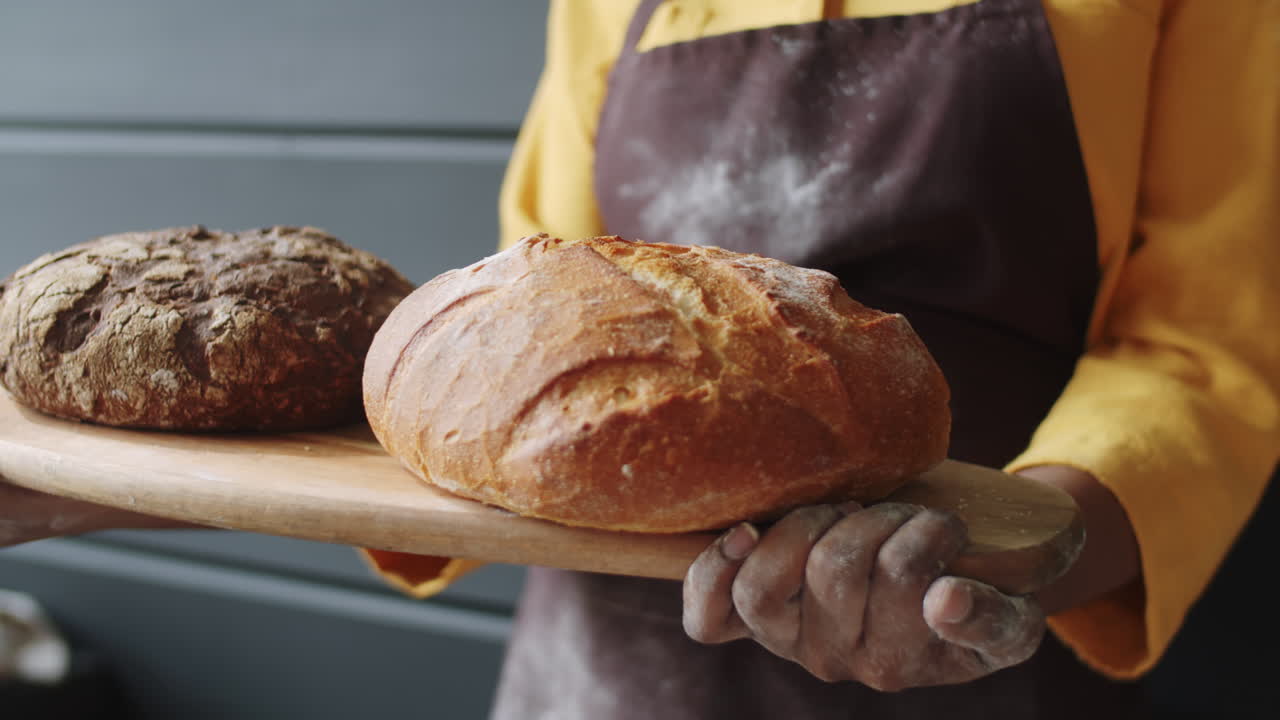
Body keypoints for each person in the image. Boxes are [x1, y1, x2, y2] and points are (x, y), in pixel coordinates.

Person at [4, 0, 1277, 717]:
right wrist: (121, 488)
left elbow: (1204, 349)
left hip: (959, 632)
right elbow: (505, 364)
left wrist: (1011, 557)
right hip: (600, 676)